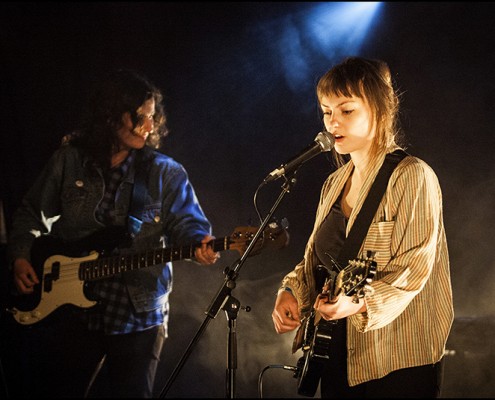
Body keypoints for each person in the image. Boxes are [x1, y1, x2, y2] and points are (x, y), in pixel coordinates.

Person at [5, 68, 220, 398]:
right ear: (110, 115)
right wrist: (20, 257)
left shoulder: (164, 172)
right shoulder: (69, 160)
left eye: (152, 117)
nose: (149, 126)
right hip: (71, 313)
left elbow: (188, 225)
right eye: (139, 117)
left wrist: (199, 243)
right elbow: (31, 214)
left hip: (138, 315)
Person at [271, 56, 454, 398]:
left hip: (396, 358)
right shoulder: (333, 183)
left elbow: (413, 270)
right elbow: (319, 261)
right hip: (336, 352)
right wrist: (291, 291)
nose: (332, 122)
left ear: (380, 111)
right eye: (326, 112)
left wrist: (358, 304)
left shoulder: (412, 176)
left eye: (346, 110)